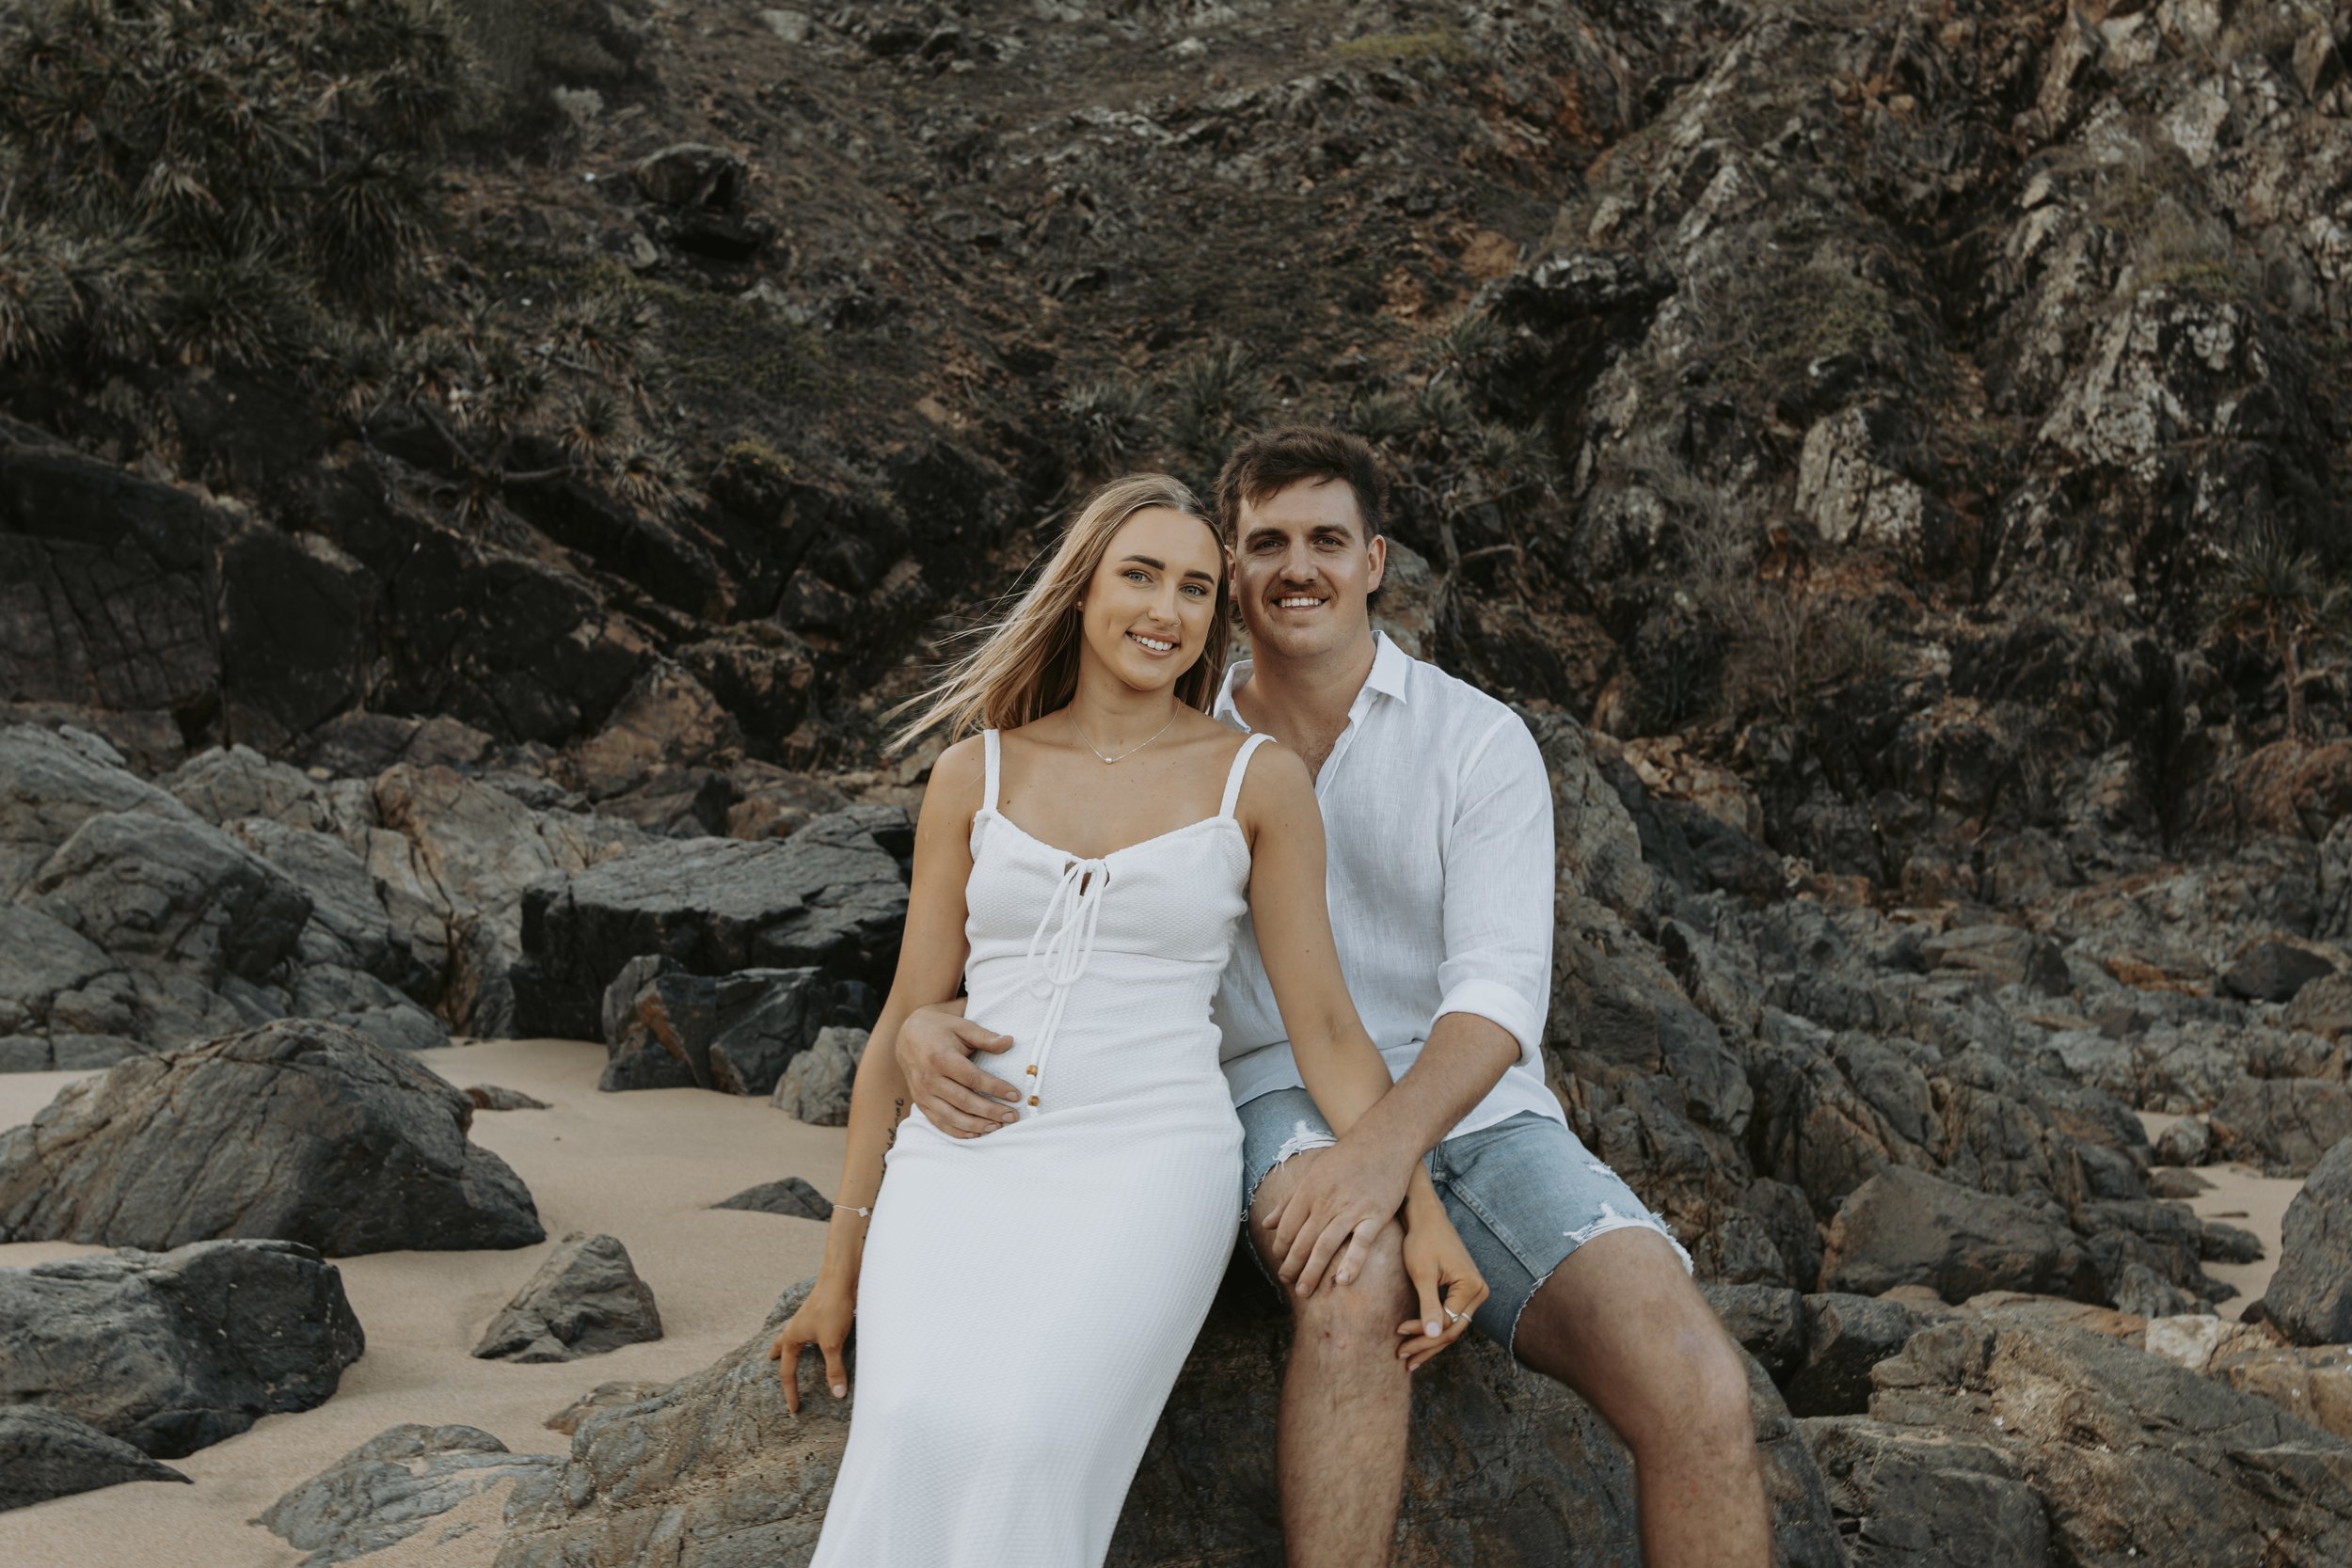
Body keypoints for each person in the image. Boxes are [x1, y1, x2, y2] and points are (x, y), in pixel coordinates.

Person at [896, 428, 1773, 1567]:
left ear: (1375, 561)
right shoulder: (1177, 736)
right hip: (1270, 1099)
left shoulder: (1477, 740)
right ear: (1230, 573)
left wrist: (1386, 1159)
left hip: (1485, 1120)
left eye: (1325, 538)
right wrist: (925, 1016)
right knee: (1352, 1285)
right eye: (1264, 543)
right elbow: (1056, 920)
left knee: (1698, 1382)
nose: (1295, 566)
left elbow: (1499, 993)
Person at [768, 472, 1490, 1568]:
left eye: (1197, 588)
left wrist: (1415, 1203)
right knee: (911, 1428)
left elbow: (1328, 1028)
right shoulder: (976, 771)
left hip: (1147, 1162)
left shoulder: (1256, 779)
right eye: (1140, 576)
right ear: (1080, 590)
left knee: (1028, 1438)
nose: (1166, 610)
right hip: (960, 1161)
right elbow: (900, 1027)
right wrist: (836, 1275)